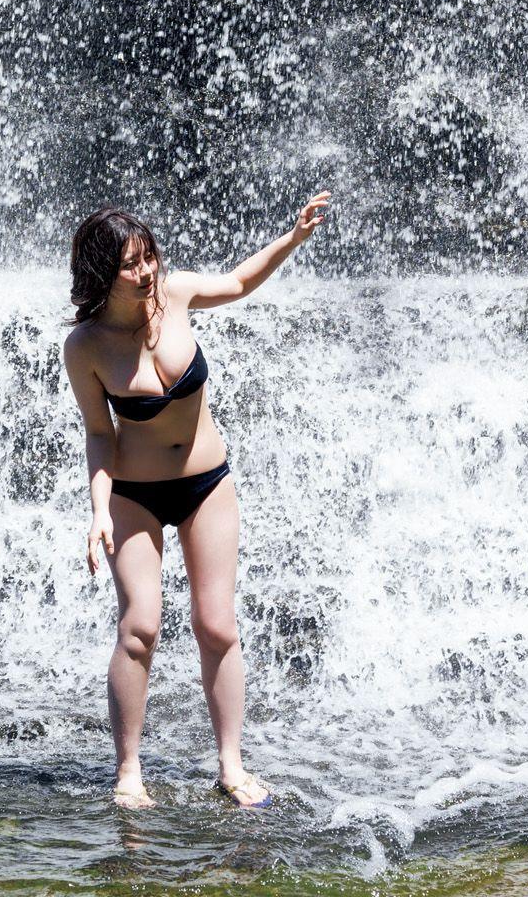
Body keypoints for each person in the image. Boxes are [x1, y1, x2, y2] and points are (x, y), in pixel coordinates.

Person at [63, 193, 332, 810]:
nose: (148, 270)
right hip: (134, 493)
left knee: (217, 624)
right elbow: (101, 434)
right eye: (132, 264)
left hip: (207, 485)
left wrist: (291, 240)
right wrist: (99, 510)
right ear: (105, 272)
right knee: (140, 628)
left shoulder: (179, 293)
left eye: (149, 255)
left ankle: (231, 766)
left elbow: (239, 281)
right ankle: (129, 771)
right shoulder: (86, 347)